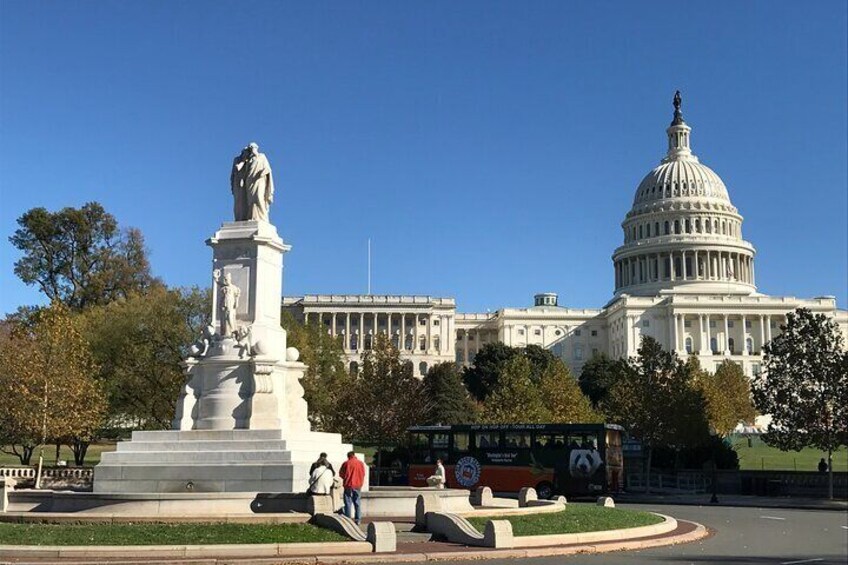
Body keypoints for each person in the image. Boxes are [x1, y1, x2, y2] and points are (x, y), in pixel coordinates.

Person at [339, 451, 366, 524]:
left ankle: (348, 519)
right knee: (357, 502)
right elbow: (363, 473)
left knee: (348, 502)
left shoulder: (346, 463)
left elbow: (341, 474)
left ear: (348, 456)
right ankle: (358, 519)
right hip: (358, 485)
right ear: (354, 455)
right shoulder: (360, 463)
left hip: (348, 484)